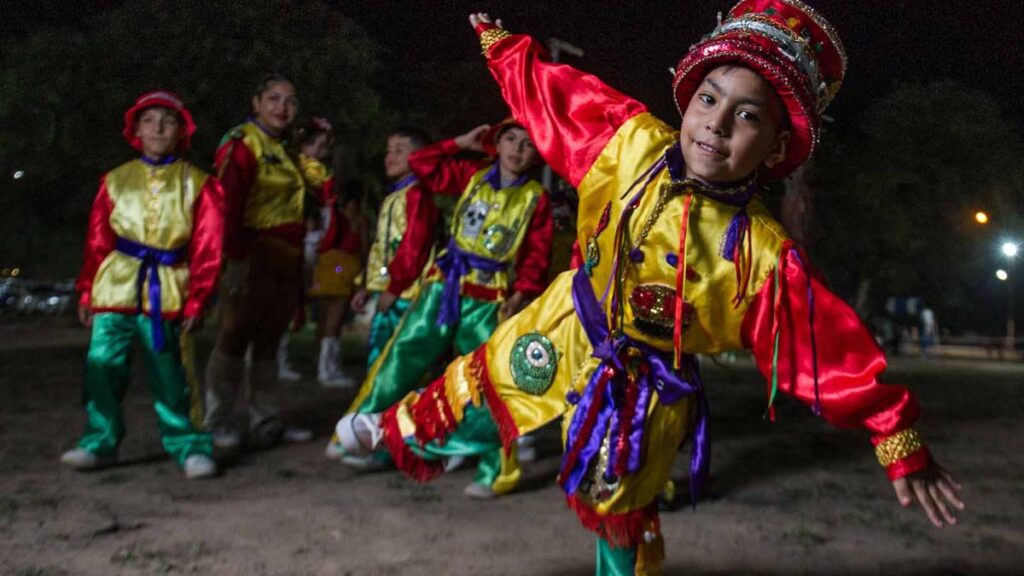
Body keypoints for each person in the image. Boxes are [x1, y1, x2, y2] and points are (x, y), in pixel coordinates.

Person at [338, 3, 965, 574]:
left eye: (747, 115)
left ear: (777, 147)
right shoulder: (628, 143)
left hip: (651, 386)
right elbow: (556, 99)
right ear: (687, 100)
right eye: (709, 99)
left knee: (619, 505)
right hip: (568, 321)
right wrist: (505, 50)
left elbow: (827, 353)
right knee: (486, 386)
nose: (716, 124)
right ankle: (395, 426)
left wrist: (897, 437)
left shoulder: (764, 258)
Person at [337, 119, 554, 498]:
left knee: (490, 381)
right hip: (443, 285)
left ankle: (495, 471)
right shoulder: (472, 174)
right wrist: (460, 142)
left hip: (488, 297)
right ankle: (362, 435)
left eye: (527, 144)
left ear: (537, 154)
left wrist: (522, 294)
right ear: (496, 144)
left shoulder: (536, 197)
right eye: (510, 139)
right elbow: (421, 164)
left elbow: (537, 254)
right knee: (401, 356)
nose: (517, 150)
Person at [63, 90, 223, 480]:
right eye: (149, 121)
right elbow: (98, 240)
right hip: (115, 286)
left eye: (167, 122)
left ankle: (188, 445)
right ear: (136, 130)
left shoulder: (198, 183)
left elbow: (208, 247)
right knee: (102, 367)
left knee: (171, 374)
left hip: (166, 289)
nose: (157, 129)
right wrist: (87, 289)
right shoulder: (115, 180)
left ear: (181, 131)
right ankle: (99, 441)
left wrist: (198, 299)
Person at [204, 74, 312, 450]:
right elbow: (228, 203)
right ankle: (218, 419)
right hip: (252, 253)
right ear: (256, 103)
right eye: (274, 98)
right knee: (233, 334)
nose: (282, 107)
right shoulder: (242, 143)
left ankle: (265, 417)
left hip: (286, 257)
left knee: (269, 339)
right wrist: (234, 259)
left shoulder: (286, 150)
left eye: (290, 101)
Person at [311, 178, 370, 386]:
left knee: (324, 319)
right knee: (334, 322)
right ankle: (327, 370)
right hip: (342, 270)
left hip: (325, 268)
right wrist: (364, 277)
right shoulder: (359, 219)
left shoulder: (332, 214)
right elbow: (365, 250)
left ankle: (322, 365)